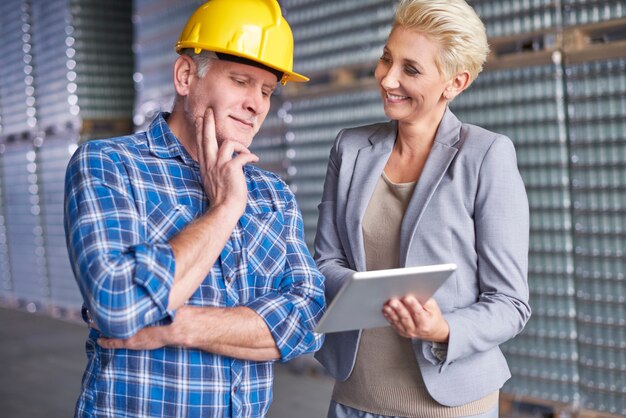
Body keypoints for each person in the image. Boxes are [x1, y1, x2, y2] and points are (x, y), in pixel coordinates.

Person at [64, 1, 324, 416]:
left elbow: (308, 321)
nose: (256, 104)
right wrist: (225, 209)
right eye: (241, 81)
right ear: (186, 76)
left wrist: (174, 326)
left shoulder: (272, 193)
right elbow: (120, 306)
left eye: (267, 91)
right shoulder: (109, 164)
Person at [313, 0, 531, 417]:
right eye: (386, 59)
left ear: (455, 83)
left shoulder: (486, 156)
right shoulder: (350, 148)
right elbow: (326, 261)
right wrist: (372, 293)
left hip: (451, 403)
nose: (387, 78)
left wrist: (443, 328)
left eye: (410, 70)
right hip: (355, 398)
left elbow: (510, 302)